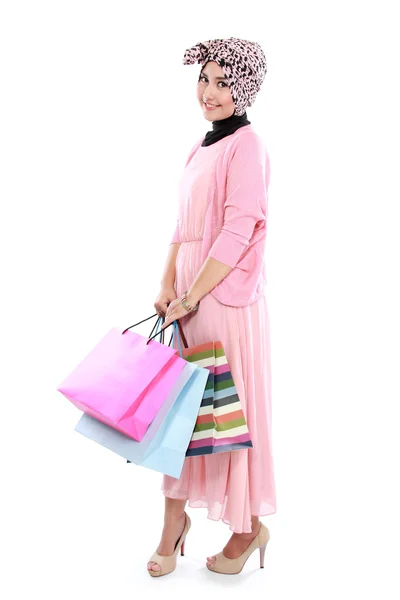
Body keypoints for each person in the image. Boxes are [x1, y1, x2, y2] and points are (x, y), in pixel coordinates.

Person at [148, 37, 276, 577]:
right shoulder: (200, 146)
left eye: (225, 81)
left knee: (223, 417)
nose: (210, 91)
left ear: (244, 87)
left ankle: (247, 529)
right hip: (188, 295)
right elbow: (184, 227)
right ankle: (172, 527)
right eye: (204, 78)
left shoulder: (247, 145)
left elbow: (236, 229)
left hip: (221, 298)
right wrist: (165, 284)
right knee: (179, 419)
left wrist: (192, 295)